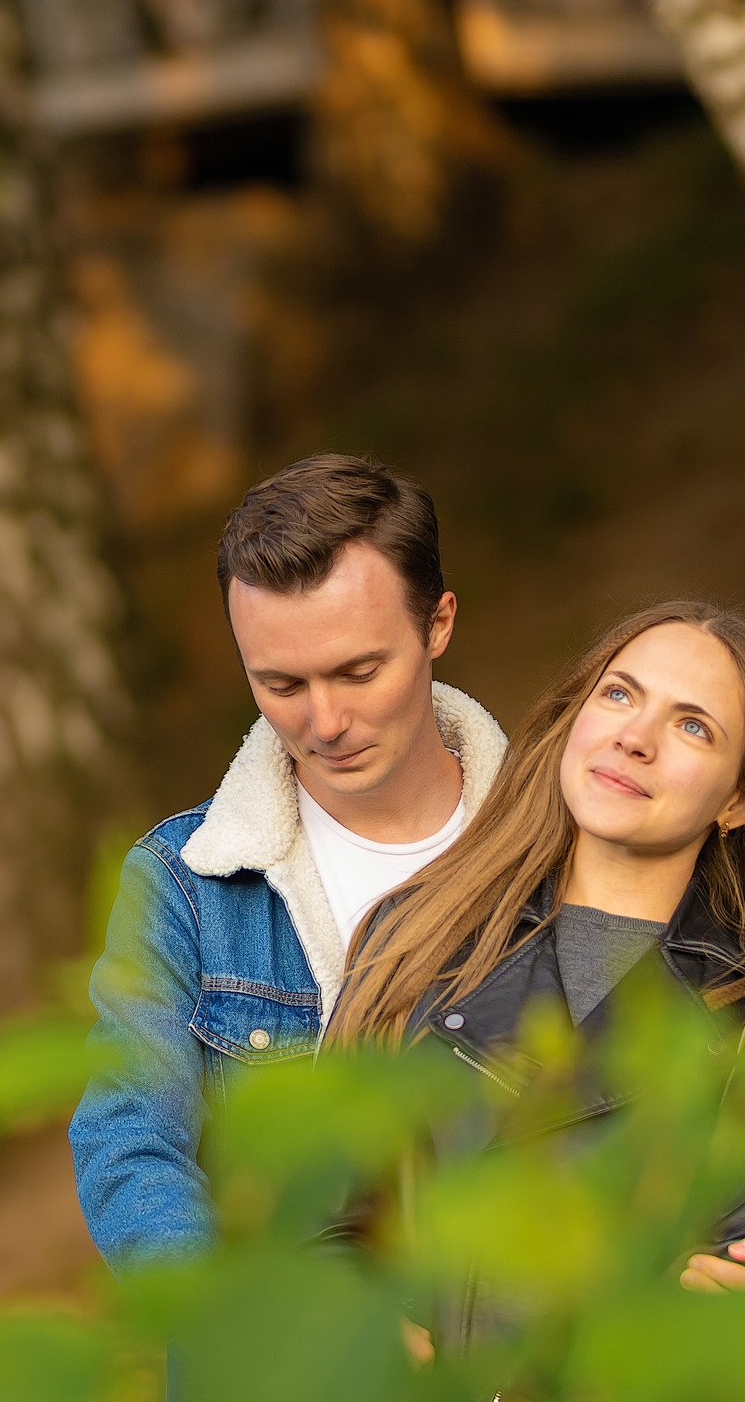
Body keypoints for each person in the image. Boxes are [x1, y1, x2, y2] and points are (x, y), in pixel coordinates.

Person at [329, 600, 745, 1402]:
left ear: (740, 797)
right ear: (575, 717)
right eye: (620, 693)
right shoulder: (412, 939)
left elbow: (730, 1299)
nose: (636, 737)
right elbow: (329, 1220)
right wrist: (372, 1392)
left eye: (692, 725)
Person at [70, 454, 509, 1271]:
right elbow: (127, 1146)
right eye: (280, 684)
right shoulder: (184, 884)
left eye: (358, 670)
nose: (325, 719)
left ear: (438, 623)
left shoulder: (558, 845)